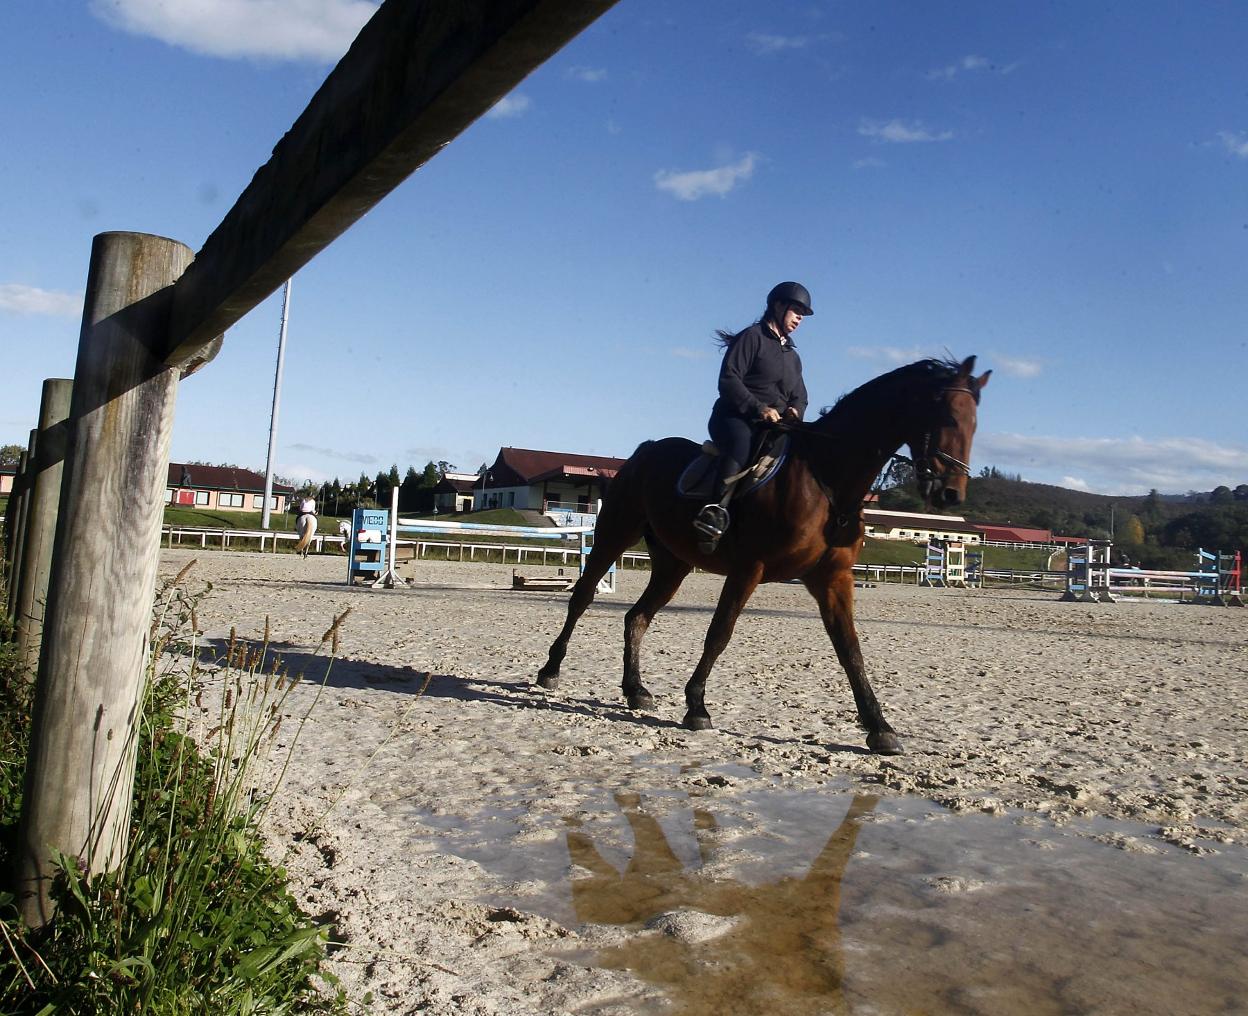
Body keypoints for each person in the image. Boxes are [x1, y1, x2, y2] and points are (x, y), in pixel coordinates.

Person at [694, 281, 812, 543]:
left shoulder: (792, 356)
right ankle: (713, 513)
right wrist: (759, 408)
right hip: (735, 417)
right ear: (777, 306)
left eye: (803, 314)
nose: (800, 318)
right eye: (796, 311)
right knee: (741, 445)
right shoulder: (752, 337)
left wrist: (796, 410)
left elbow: (801, 395)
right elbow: (728, 379)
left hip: (775, 426)